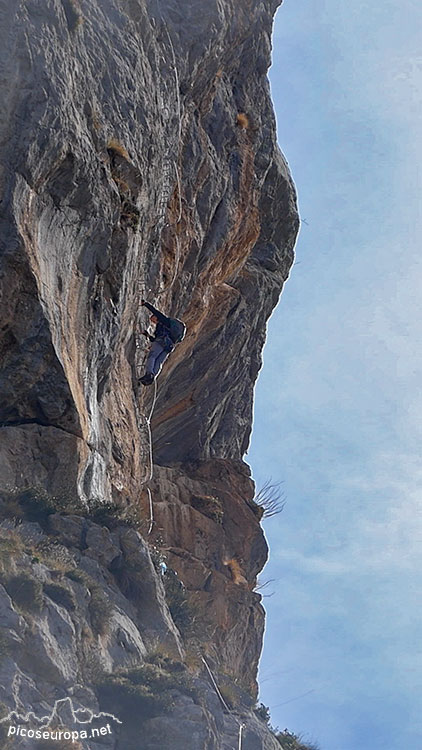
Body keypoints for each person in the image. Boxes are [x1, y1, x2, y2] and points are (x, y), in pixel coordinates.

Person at [138, 300, 185, 386]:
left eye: (153, 319)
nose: (153, 322)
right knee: (159, 362)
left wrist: (145, 304)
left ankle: (149, 375)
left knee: (152, 356)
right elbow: (154, 340)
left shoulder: (164, 321)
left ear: (156, 317)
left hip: (162, 342)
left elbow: (155, 311)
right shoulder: (163, 327)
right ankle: (152, 377)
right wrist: (147, 335)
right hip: (169, 346)